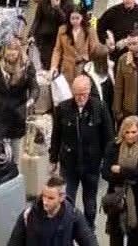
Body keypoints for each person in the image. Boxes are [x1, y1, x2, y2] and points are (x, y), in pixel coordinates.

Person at [51, 72, 115, 223]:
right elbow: (56, 135)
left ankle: (88, 229)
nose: (80, 98)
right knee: (67, 200)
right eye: (77, 94)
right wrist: (53, 159)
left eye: (84, 94)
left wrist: (108, 161)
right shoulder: (63, 108)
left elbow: (109, 137)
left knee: (90, 203)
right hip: (69, 163)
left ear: (89, 91)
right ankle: (68, 231)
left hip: (91, 163)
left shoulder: (99, 107)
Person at [102, 115, 138, 246]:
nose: (130, 135)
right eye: (127, 132)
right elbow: (105, 172)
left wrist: (120, 170)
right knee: (116, 233)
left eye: (134, 132)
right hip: (116, 195)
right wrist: (130, 174)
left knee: (135, 233)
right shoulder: (113, 146)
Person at [7, 178, 98, 246]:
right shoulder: (28, 215)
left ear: (61, 198)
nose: (45, 202)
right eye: (44, 196)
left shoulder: (73, 215)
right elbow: (14, 242)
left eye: (50, 198)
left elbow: (88, 239)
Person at [52, 7, 102, 85]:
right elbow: (57, 50)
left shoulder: (89, 30)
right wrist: (54, 66)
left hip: (83, 67)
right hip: (67, 68)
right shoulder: (62, 30)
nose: (75, 21)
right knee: (67, 94)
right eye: (72, 18)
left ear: (82, 17)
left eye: (77, 18)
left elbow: (95, 50)